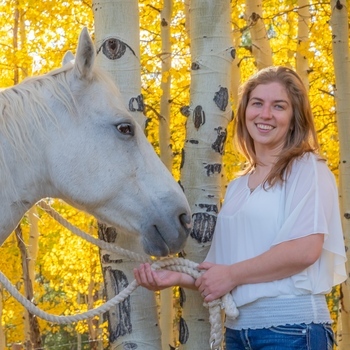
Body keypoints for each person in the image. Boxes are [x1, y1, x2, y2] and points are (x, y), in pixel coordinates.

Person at [134, 66, 347, 350]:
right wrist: (173, 277)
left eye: (279, 106)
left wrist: (232, 275)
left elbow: (305, 249)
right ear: (245, 111)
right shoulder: (237, 187)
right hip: (238, 333)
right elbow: (223, 269)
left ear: (295, 118)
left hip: (293, 331)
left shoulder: (308, 169)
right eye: (257, 103)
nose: (265, 114)